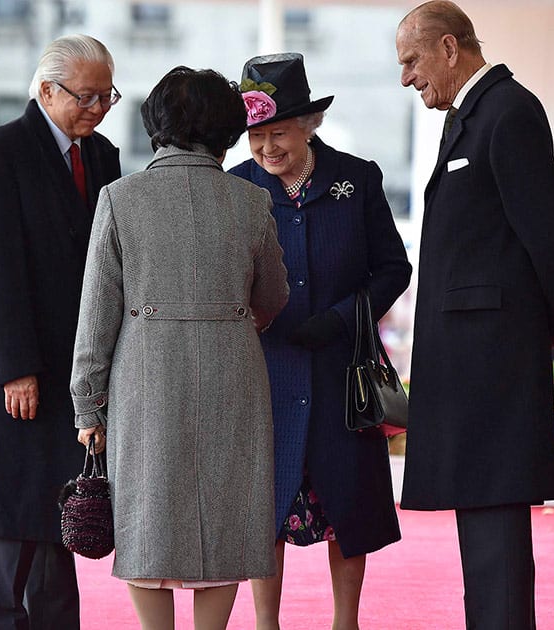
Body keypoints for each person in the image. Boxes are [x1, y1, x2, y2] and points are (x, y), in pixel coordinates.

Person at [395, 3, 554, 627]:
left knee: (496, 535)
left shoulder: (509, 111)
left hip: (493, 362)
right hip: (473, 361)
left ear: (450, 49)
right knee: (482, 531)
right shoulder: (473, 115)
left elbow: (549, 232)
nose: (406, 79)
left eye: (412, 61)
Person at [69, 65, 289, 630]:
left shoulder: (119, 198)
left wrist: (87, 407)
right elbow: (273, 294)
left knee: (146, 512)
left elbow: (96, 315)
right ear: (228, 129)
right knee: (226, 512)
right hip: (232, 370)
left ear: (156, 123)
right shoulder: (250, 201)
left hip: (146, 373)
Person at [229, 53, 412, 630]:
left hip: (342, 365)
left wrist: (342, 319)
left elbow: (392, 269)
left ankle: (346, 621)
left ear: (310, 124)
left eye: (277, 133)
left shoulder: (357, 180)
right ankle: (266, 623)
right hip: (267, 368)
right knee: (266, 501)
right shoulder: (237, 186)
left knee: (347, 500)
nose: (266, 149)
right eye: (256, 136)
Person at [0, 34, 122, 628]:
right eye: (87, 96)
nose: (99, 108)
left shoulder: (102, 155)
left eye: (109, 96)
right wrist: (17, 367)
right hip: (15, 369)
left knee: (62, 510)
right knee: (8, 518)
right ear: (47, 90)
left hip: (78, 364)